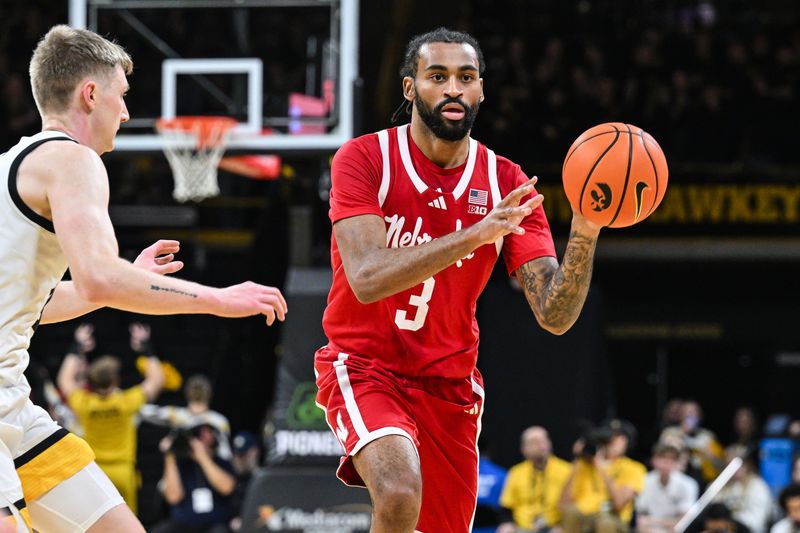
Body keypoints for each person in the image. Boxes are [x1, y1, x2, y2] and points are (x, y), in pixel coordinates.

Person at [314, 27, 603, 533]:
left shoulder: (508, 183)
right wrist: (474, 234)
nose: (453, 89)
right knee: (400, 492)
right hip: (365, 365)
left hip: (449, 385)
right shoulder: (363, 159)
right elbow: (366, 277)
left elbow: (555, 315)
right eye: (438, 76)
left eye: (466, 78)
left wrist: (586, 228)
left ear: (481, 90)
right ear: (410, 89)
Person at [0, 24, 286, 533]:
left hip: (11, 406)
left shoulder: (13, 165)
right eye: (122, 96)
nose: (127, 113)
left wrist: (122, 276)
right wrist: (218, 298)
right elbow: (98, 281)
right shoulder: (73, 158)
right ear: (90, 95)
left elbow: (38, 303)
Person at [57, 322, 165, 516]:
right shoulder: (126, 402)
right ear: (116, 380)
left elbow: (65, 380)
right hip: (123, 471)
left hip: (95, 472)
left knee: (94, 521)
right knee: (127, 523)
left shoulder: (85, 404)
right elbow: (156, 380)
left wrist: (77, 346)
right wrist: (147, 348)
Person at [559, 420, 647, 533]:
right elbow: (562, 505)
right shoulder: (584, 465)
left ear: (627, 442)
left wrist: (601, 467)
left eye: (618, 438)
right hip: (586, 516)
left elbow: (619, 504)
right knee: (571, 513)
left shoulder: (634, 468)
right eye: (609, 439)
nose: (612, 442)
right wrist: (577, 459)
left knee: (605, 523)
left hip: (614, 519)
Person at [152, 424, 235, 533]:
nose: (204, 439)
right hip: (183, 525)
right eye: (199, 435)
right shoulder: (182, 465)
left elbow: (227, 488)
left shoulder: (222, 463)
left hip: (214, 525)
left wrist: (203, 457)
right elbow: (173, 497)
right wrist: (169, 456)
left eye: (209, 434)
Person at [140, 375, 233, 460]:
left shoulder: (177, 415)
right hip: (184, 469)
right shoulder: (219, 420)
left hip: (206, 469)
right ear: (210, 395)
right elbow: (226, 455)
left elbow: (143, 410)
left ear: (187, 393)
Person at [497, 426, 571, 533]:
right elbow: (506, 508)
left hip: (553, 527)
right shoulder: (516, 472)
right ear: (524, 449)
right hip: (522, 528)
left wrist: (562, 525)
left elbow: (573, 506)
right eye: (534, 442)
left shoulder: (567, 471)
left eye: (544, 440)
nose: (541, 445)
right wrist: (507, 524)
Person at [636, 442, 699, 532]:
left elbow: (683, 522)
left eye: (672, 459)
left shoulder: (689, 484)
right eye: (662, 457)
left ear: (678, 462)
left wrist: (652, 521)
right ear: (654, 460)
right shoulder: (645, 480)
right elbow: (640, 519)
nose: (667, 462)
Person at [660, 400, 725, 485]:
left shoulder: (708, 436)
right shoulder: (669, 432)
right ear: (680, 415)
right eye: (686, 412)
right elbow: (662, 454)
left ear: (700, 416)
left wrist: (710, 455)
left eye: (693, 412)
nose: (689, 415)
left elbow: (720, 465)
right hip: (676, 476)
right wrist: (682, 432)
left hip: (702, 479)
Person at [714, 446, 775, 533]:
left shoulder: (757, 486)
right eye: (728, 465)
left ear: (746, 465)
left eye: (736, 465)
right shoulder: (718, 485)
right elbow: (712, 514)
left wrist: (733, 524)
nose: (732, 469)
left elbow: (758, 520)